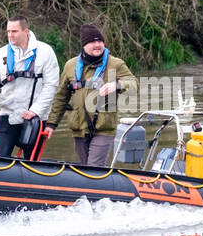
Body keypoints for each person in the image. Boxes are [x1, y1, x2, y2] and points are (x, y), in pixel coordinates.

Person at [44, 24, 136, 166]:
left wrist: (115, 85)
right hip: (79, 128)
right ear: (84, 45)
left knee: (93, 170)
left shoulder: (116, 64)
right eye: (92, 42)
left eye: (100, 41)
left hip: (104, 128)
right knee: (85, 170)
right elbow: (61, 97)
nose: (97, 45)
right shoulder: (70, 65)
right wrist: (51, 123)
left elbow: (134, 84)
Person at [0, 15, 60, 159]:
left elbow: (51, 86)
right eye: (8, 31)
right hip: (7, 115)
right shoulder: (0, 53)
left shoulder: (45, 52)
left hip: (34, 118)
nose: (10, 35)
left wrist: (35, 110)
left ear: (26, 31)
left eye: (14, 31)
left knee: (32, 162)